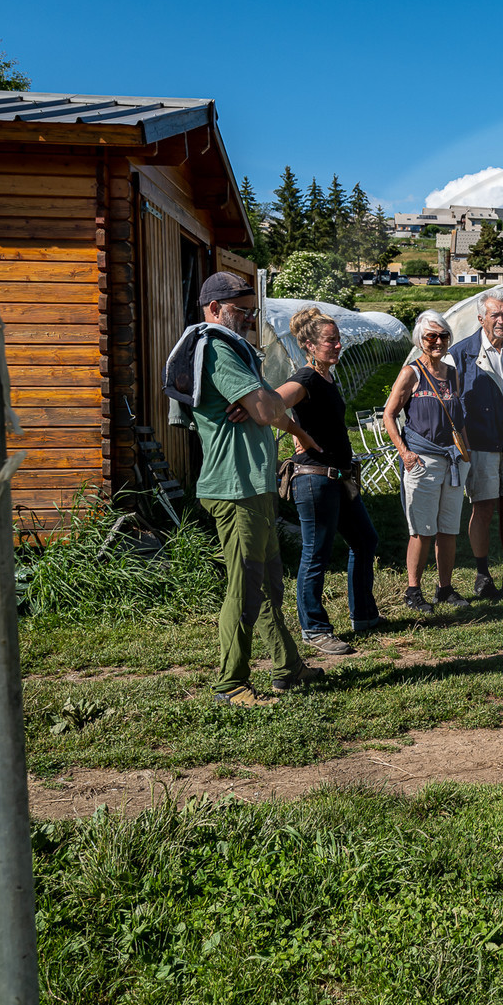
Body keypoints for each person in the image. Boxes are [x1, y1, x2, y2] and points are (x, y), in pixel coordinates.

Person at [189, 272, 318, 707]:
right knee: (244, 588)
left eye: (251, 310)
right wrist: (263, 401)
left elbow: (267, 409)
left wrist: (265, 401)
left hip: (255, 484)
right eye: (239, 310)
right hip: (233, 486)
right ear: (213, 310)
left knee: (267, 586)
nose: (247, 318)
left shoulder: (242, 353)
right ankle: (231, 684)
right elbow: (266, 411)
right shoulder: (218, 348)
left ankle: (287, 667)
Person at [275, 307, 380, 654]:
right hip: (315, 479)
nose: (338, 346)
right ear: (308, 345)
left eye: (338, 339)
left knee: (365, 540)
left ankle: (363, 614)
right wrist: (298, 433)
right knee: (316, 553)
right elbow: (273, 406)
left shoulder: (327, 377)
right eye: (330, 341)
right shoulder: (305, 379)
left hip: (340, 477)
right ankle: (314, 629)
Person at [448, 285, 503, 600]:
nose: (501, 320)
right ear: (480, 317)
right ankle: (482, 575)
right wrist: (463, 444)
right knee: (483, 508)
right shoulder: (461, 354)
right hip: (481, 445)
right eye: (494, 314)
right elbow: (453, 404)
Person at [382, 310, 471, 614]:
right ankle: (413, 590)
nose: (437, 342)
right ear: (420, 339)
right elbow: (389, 414)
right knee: (422, 528)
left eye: (443, 336)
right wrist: (405, 453)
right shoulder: (412, 372)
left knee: (448, 528)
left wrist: (466, 455)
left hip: (453, 461)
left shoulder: (452, 373)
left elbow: (460, 420)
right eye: (431, 336)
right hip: (422, 460)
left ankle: (444, 588)